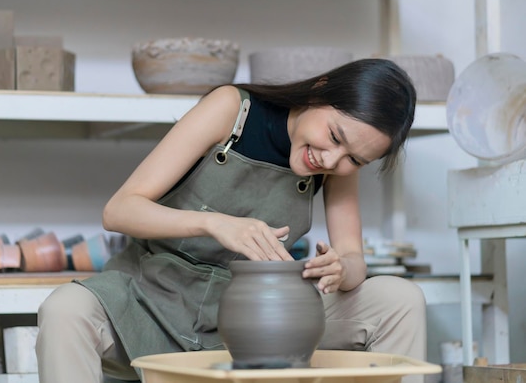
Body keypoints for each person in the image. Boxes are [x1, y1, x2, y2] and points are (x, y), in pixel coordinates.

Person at [36, 58, 427, 383]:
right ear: (320, 90)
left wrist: (342, 269)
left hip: (259, 317)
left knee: (399, 299)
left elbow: (354, 258)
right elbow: (119, 210)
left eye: (355, 159)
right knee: (65, 310)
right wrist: (214, 223)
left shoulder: (339, 163)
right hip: (154, 297)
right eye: (334, 136)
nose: (331, 160)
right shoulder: (231, 109)